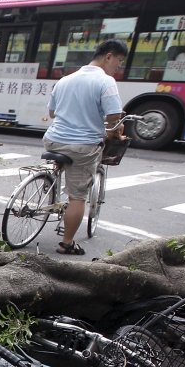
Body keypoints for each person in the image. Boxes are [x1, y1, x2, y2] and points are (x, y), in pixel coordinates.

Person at [43, 38, 127, 255]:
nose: (118, 67)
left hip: (53, 139)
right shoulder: (105, 82)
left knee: (66, 158)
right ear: (108, 57)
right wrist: (115, 131)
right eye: (118, 62)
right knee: (77, 196)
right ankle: (67, 243)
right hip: (82, 146)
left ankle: (53, 180)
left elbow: (52, 113)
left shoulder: (66, 79)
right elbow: (114, 118)